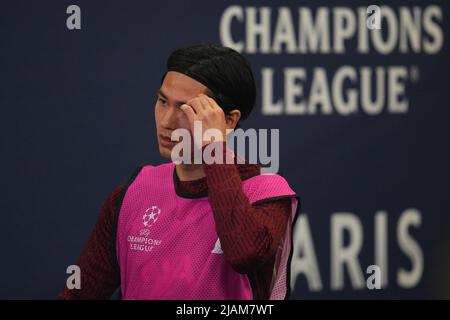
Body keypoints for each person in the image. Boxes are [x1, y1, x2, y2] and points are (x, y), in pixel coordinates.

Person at [58, 44, 299, 300]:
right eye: (162, 102)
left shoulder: (266, 193)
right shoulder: (130, 195)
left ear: (228, 120)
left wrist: (213, 148)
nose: (166, 122)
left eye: (186, 110)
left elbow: (244, 254)